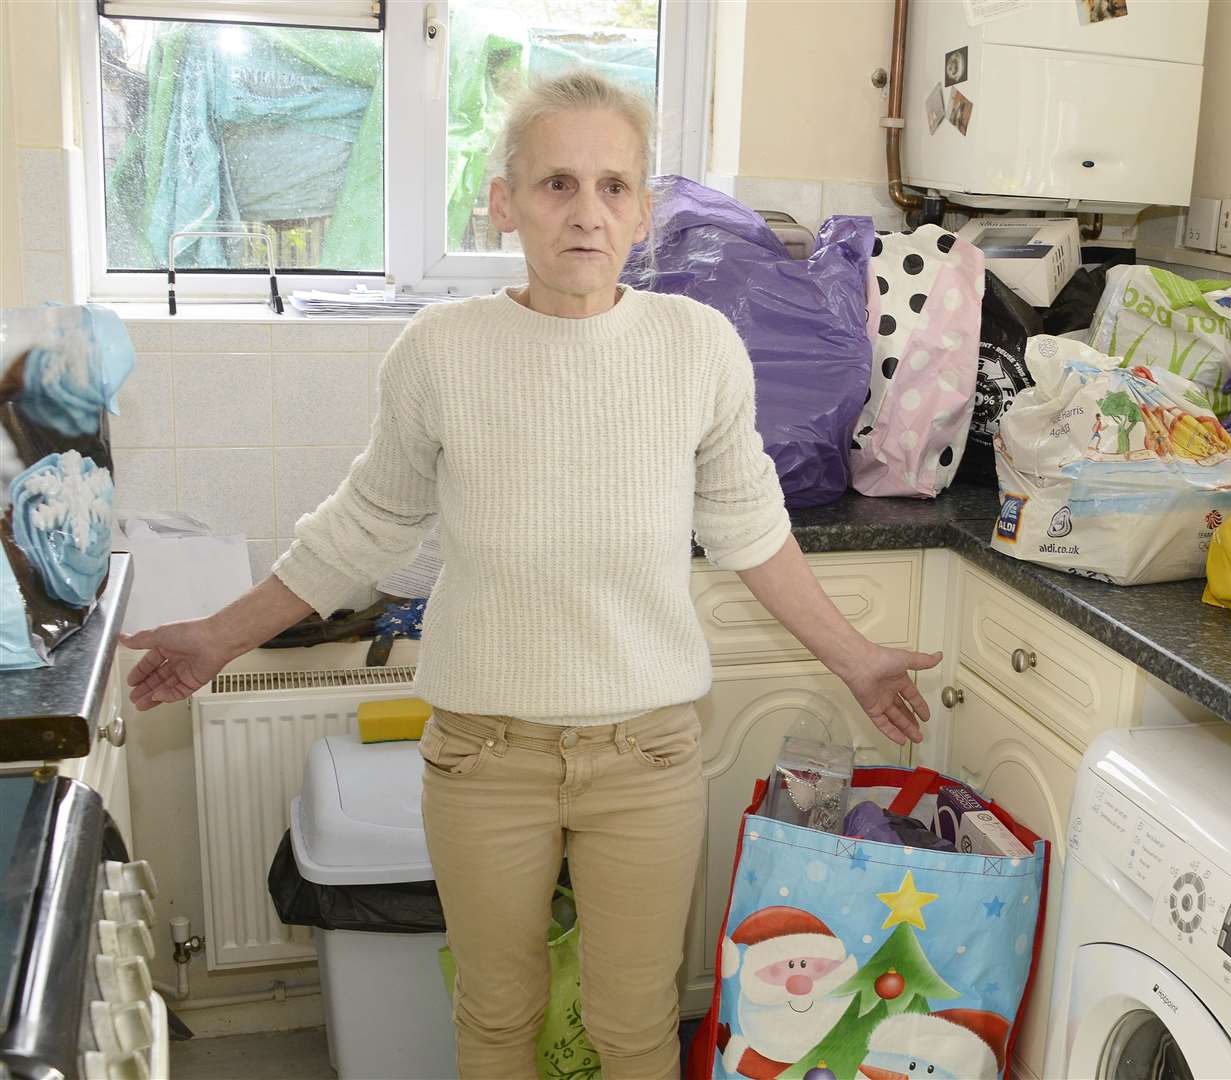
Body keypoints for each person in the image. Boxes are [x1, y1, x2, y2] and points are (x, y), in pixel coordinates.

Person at [120, 69, 938, 1080]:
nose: (585, 214)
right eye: (556, 185)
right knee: (497, 1017)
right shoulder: (441, 351)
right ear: (504, 202)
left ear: (642, 210)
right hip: (483, 757)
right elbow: (362, 528)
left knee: (634, 1026)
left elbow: (751, 530)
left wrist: (855, 659)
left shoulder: (696, 347)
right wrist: (216, 637)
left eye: (611, 186)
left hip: (645, 759)